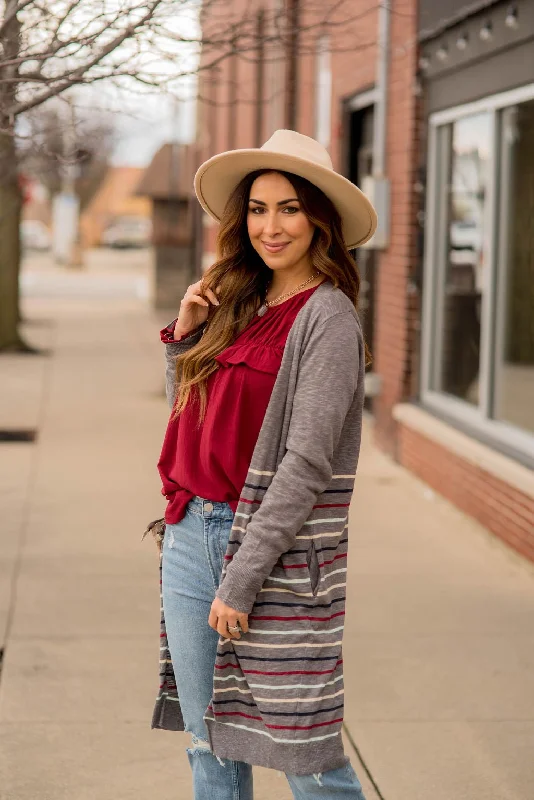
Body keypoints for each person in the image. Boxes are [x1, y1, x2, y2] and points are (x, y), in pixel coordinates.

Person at [151, 129, 377, 800]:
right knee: (208, 742)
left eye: (288, 208)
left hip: (272, 553)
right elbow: (191, 423)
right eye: (256, 209)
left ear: (320, 221)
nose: (269, 226)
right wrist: (187, 340)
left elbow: (307, 464)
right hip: (193, 534)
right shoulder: (241, 302)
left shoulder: (328, 318)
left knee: (306, 759)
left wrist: (242, 579)